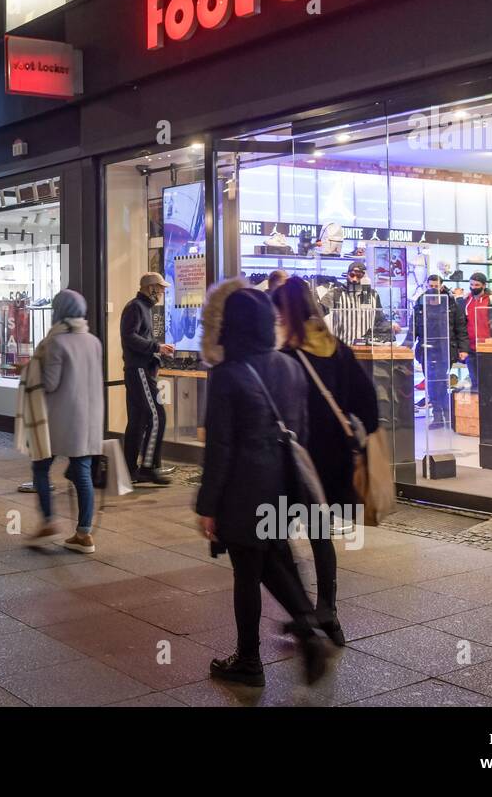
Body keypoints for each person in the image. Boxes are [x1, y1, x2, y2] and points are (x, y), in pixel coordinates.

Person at [196, 281, 331, 687]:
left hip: (242, 488)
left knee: (247, 571)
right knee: (271, 559)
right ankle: (308, 630)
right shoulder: (289, 365)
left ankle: (250, 661)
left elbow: (220, 446)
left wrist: (208, 504)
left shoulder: (227, 373)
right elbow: (300, 431)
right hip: (283, 484)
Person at [273, 277, 379, 647]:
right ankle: (328, 612)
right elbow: (370, 407)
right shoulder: (340, 350)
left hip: (295, 462)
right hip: (333, 462)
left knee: (273, 536)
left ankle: (301, 609)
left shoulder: (286, 357)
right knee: (320, 535)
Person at [17, 290, 103, 554]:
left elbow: (51, 383)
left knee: (41, 467)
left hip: (60, 418)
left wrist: (32, 369)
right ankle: (84, 534)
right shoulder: (93, 341)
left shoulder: (56, 342)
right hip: (89, 418)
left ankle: (48, 521)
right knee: (83, 473)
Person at [120, 272, 175, 487]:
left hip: (140, 368)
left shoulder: (142, 308)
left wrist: (157, 351)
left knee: (138, 421)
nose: (162, 292)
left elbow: (136, 336)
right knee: (157, 416)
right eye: (160, 288)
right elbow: (129, 336)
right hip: (139, 370)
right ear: (150, 288)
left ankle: (130, 469)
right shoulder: (135, 307)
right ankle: (148, 467)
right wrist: (156, 347)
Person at [411, 273, 468, 428]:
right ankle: (441, 413)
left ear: (441, 286)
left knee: (441, 381)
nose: (433, 288)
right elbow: (414, 324)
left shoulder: (451, 303)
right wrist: (407, 344)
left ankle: (442, 414)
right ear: (427, 286)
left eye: (436, 286)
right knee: (430, 381)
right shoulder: (421, 301)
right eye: (431, 286)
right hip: (426, 348)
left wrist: (463, 348)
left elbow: (460, 327)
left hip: (445, 349)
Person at [321, 261, 396, 345]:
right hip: (343, 346)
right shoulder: (335, 293)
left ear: (364, 277)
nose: (354, 279)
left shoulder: (372, 295)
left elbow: (379, 320)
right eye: (352, 275)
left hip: (366, 347)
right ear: (347, 275)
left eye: (359, 276)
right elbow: (318, 312)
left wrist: (390, 326)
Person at [461, 272, 492, 392]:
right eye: (472, 284)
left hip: (489, 347)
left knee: (491, 382)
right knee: (475, 384)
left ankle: (491, 408)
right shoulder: (465, 301)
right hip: (471, 348)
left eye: (477, 285)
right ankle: (477, 409)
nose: (473, 287)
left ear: (484, 285)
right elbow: (462, 324)